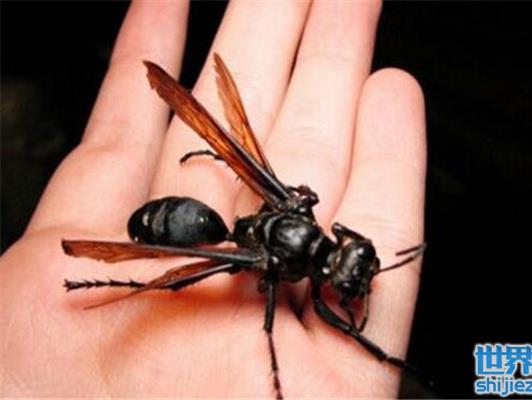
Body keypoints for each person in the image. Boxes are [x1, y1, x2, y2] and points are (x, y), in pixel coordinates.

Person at [0, 0, 426, 397]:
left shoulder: (297, 213)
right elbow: (283, 296)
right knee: (190, 270)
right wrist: (275, 344)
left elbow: (303, 206)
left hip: (229, 223)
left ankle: (121, 281)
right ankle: (124, 283)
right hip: (194, 229)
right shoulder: (280, 266)